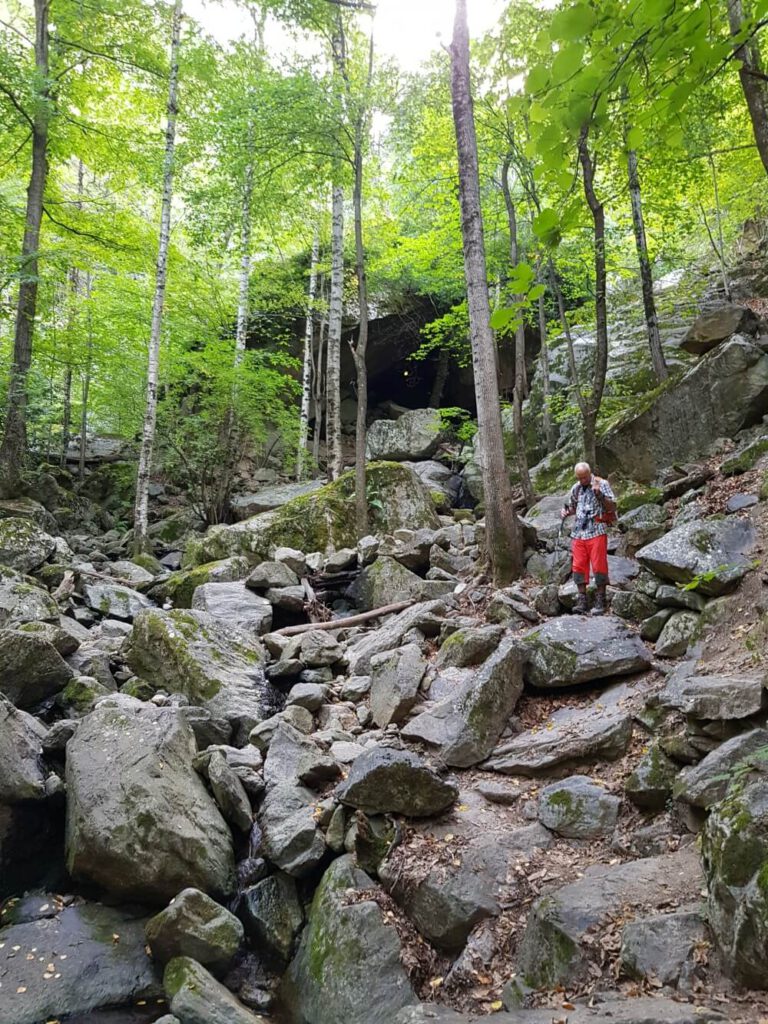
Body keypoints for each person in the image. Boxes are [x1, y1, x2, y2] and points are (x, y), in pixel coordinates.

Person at [560, 462, 617, 616]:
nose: (582, 480)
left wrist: (600, 495)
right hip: (579, 532)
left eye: (585, 477)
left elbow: (612, 507)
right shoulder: (576, 488)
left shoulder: (602, 484)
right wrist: (565, 512)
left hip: (597, 530)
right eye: (579, 478)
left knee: (599, 565)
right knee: (578, 566)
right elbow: (573, 507)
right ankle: (582, 600)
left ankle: (600, 600)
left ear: (589, 473)